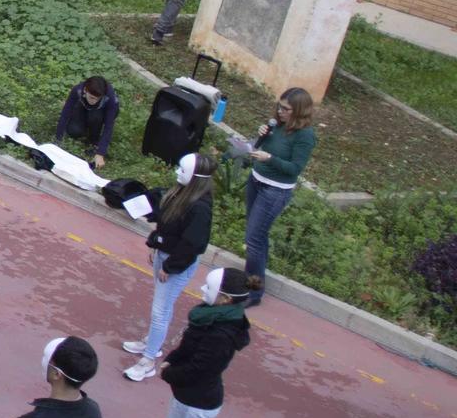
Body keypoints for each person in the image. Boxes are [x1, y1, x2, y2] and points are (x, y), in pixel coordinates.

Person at [123, 152, 218, 381]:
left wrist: (171, 266)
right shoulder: (180, 193)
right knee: (161, 305)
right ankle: (151, 343)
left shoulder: (200, 208)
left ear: (195, 176)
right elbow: (166, 224)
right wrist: (155, 244)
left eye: (182, 170)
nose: (177, 172)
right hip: (164, 256)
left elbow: (193, 244)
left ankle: (149, 359)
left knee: (161, 311)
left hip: (175, 263)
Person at [228, 87, 316, 307]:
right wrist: (261, 137)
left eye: (286, 109)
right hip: (256, 181)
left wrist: (270, 159)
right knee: (257, 236)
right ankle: (257, 283)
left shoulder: (305, 136)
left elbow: (294, 168)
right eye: (280, 106)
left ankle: (253, 293)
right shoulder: (277, 126)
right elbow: (259, 148)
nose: (280, 112)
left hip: (275, 191)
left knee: (253, 240)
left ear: (299, 112)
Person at [53, 75, 119, 171]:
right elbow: (65, 113)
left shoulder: (111, 99)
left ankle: (93, 140)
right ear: (85, 90)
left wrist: (100, 153)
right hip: (83, 107)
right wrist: (58, 139)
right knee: (74, 131)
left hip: (102, 113)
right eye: (92, 97)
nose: (94, 101)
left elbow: (109, 127)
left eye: (97, 98)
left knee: (95, 117)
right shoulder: (77, 90)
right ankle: (84, 125)